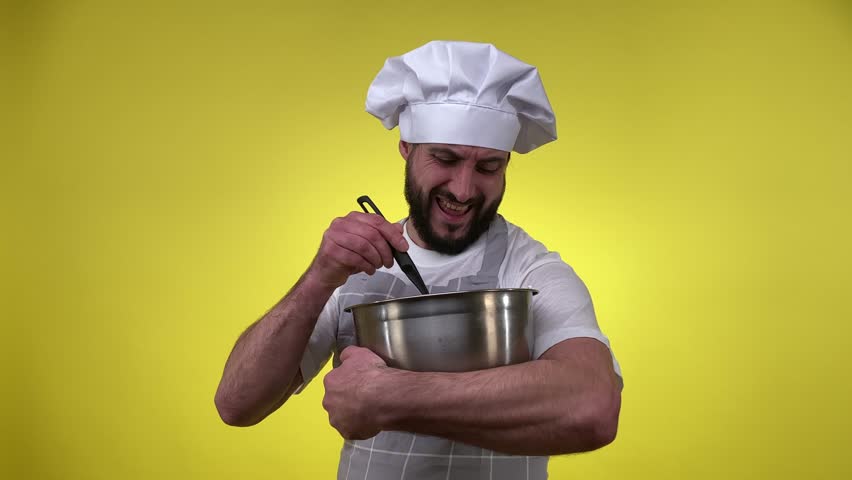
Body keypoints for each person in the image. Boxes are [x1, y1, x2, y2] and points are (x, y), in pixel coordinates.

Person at [214, 40, 623, 479]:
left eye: (488, 167)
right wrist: (318, 279)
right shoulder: (351, 271)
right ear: (407, 147)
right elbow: (238, 404)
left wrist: (389, 397)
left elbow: (593, 406)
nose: (464, 190)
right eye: (445, 158)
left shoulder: (531, 270)